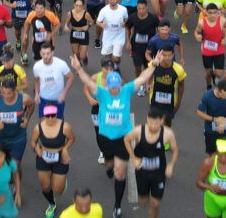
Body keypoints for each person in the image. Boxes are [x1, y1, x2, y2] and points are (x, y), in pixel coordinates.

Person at [69, 52, 162, 218]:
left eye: (116, 85)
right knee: (109, 164)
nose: (114, 89)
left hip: (123, 139)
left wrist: (154, 64)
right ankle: (109, 166)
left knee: (120, 173)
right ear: (108, 86)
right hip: (105, 137)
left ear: (119, 84)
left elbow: (141, 78)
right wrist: (79, 69)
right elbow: (87, 83)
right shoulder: (102, 93)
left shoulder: (125, 91)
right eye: (112, 86)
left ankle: (117, 206)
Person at [123, 108, 179, 218]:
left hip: (158, 172)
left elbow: (175, 149)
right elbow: (126, 140)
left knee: (155, 204)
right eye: (150, 122)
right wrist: (133, 158)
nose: (153, 126)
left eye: (156, 124)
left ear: (162, 121)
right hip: (142, 171)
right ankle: (144, 195)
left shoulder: (168, 133)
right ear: (147, 119)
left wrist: (171, 165)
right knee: (143, 200)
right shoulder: (139, 131)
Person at [31, 104, 76, 218]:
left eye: (53, 115)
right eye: (48, 116)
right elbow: (33, 141)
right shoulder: (38, 127)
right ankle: (52, 204)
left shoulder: (65, 126)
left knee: (58, 190)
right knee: (45, 187)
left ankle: (61, 182)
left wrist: (65, 149)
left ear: (57, 115)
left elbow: (72, 138)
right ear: (44, 116)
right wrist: (36, 149)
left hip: (60, 157)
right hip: (44, 157)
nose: (50, 118)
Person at [0, 76, 34, 165]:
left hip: (19, 137)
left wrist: (27, 118)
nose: (6, 96)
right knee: (4, 164)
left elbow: (32, 105)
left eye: (9, 93)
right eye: (3, 93)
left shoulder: (24, 98)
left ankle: (17, 179)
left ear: (15, 90)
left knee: (15, 165)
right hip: (2, 138)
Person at [146, 43, 186, 124]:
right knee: (157, 121)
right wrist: (148, 84)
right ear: (160, 55)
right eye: (164, 55)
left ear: (173, 55)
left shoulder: (178, 69)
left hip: (170, 100)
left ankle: (166, 136)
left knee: (167, 121)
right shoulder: (154, 64)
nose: (167, 58)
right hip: (154, 99)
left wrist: (178, 102)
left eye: (169, 55)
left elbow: (181, 85)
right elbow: (149, 74)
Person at [33, 42, 74, 118]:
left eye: (48, 53)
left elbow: (71, 77)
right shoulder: (37, 66)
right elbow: (36, 80)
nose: (45, 56)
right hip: (43, 98)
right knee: (43, 122)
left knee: (58, 122)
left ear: (52, 53)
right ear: (40, 53)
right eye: (43, 54)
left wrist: (64, 93)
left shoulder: (61, 64)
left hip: (57, 99)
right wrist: (36, 94)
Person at [195, 3, 226, 89]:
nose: (213, 15)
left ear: (218, 12)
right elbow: (196, 32)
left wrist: (225, 38)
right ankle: (209, 86)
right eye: (210, 13)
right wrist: (197, 36)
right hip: (207, 50)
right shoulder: (202, 23)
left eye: (215, 12)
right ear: (206, 12)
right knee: (208, 72)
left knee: (219, 74)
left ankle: (214, 75)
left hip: (219, 49)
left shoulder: (223, 20)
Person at [97, 0, 129, 66]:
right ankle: (110, 69)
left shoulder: (123, 9)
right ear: (108, 0)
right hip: (108, 38)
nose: (112, 1)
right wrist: (101, 25)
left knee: (116, 58)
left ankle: (116, 67)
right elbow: (98, 22)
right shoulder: (104, 10)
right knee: (108, 57)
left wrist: (124, 24)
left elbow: (126, 18)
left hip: (119, 37)